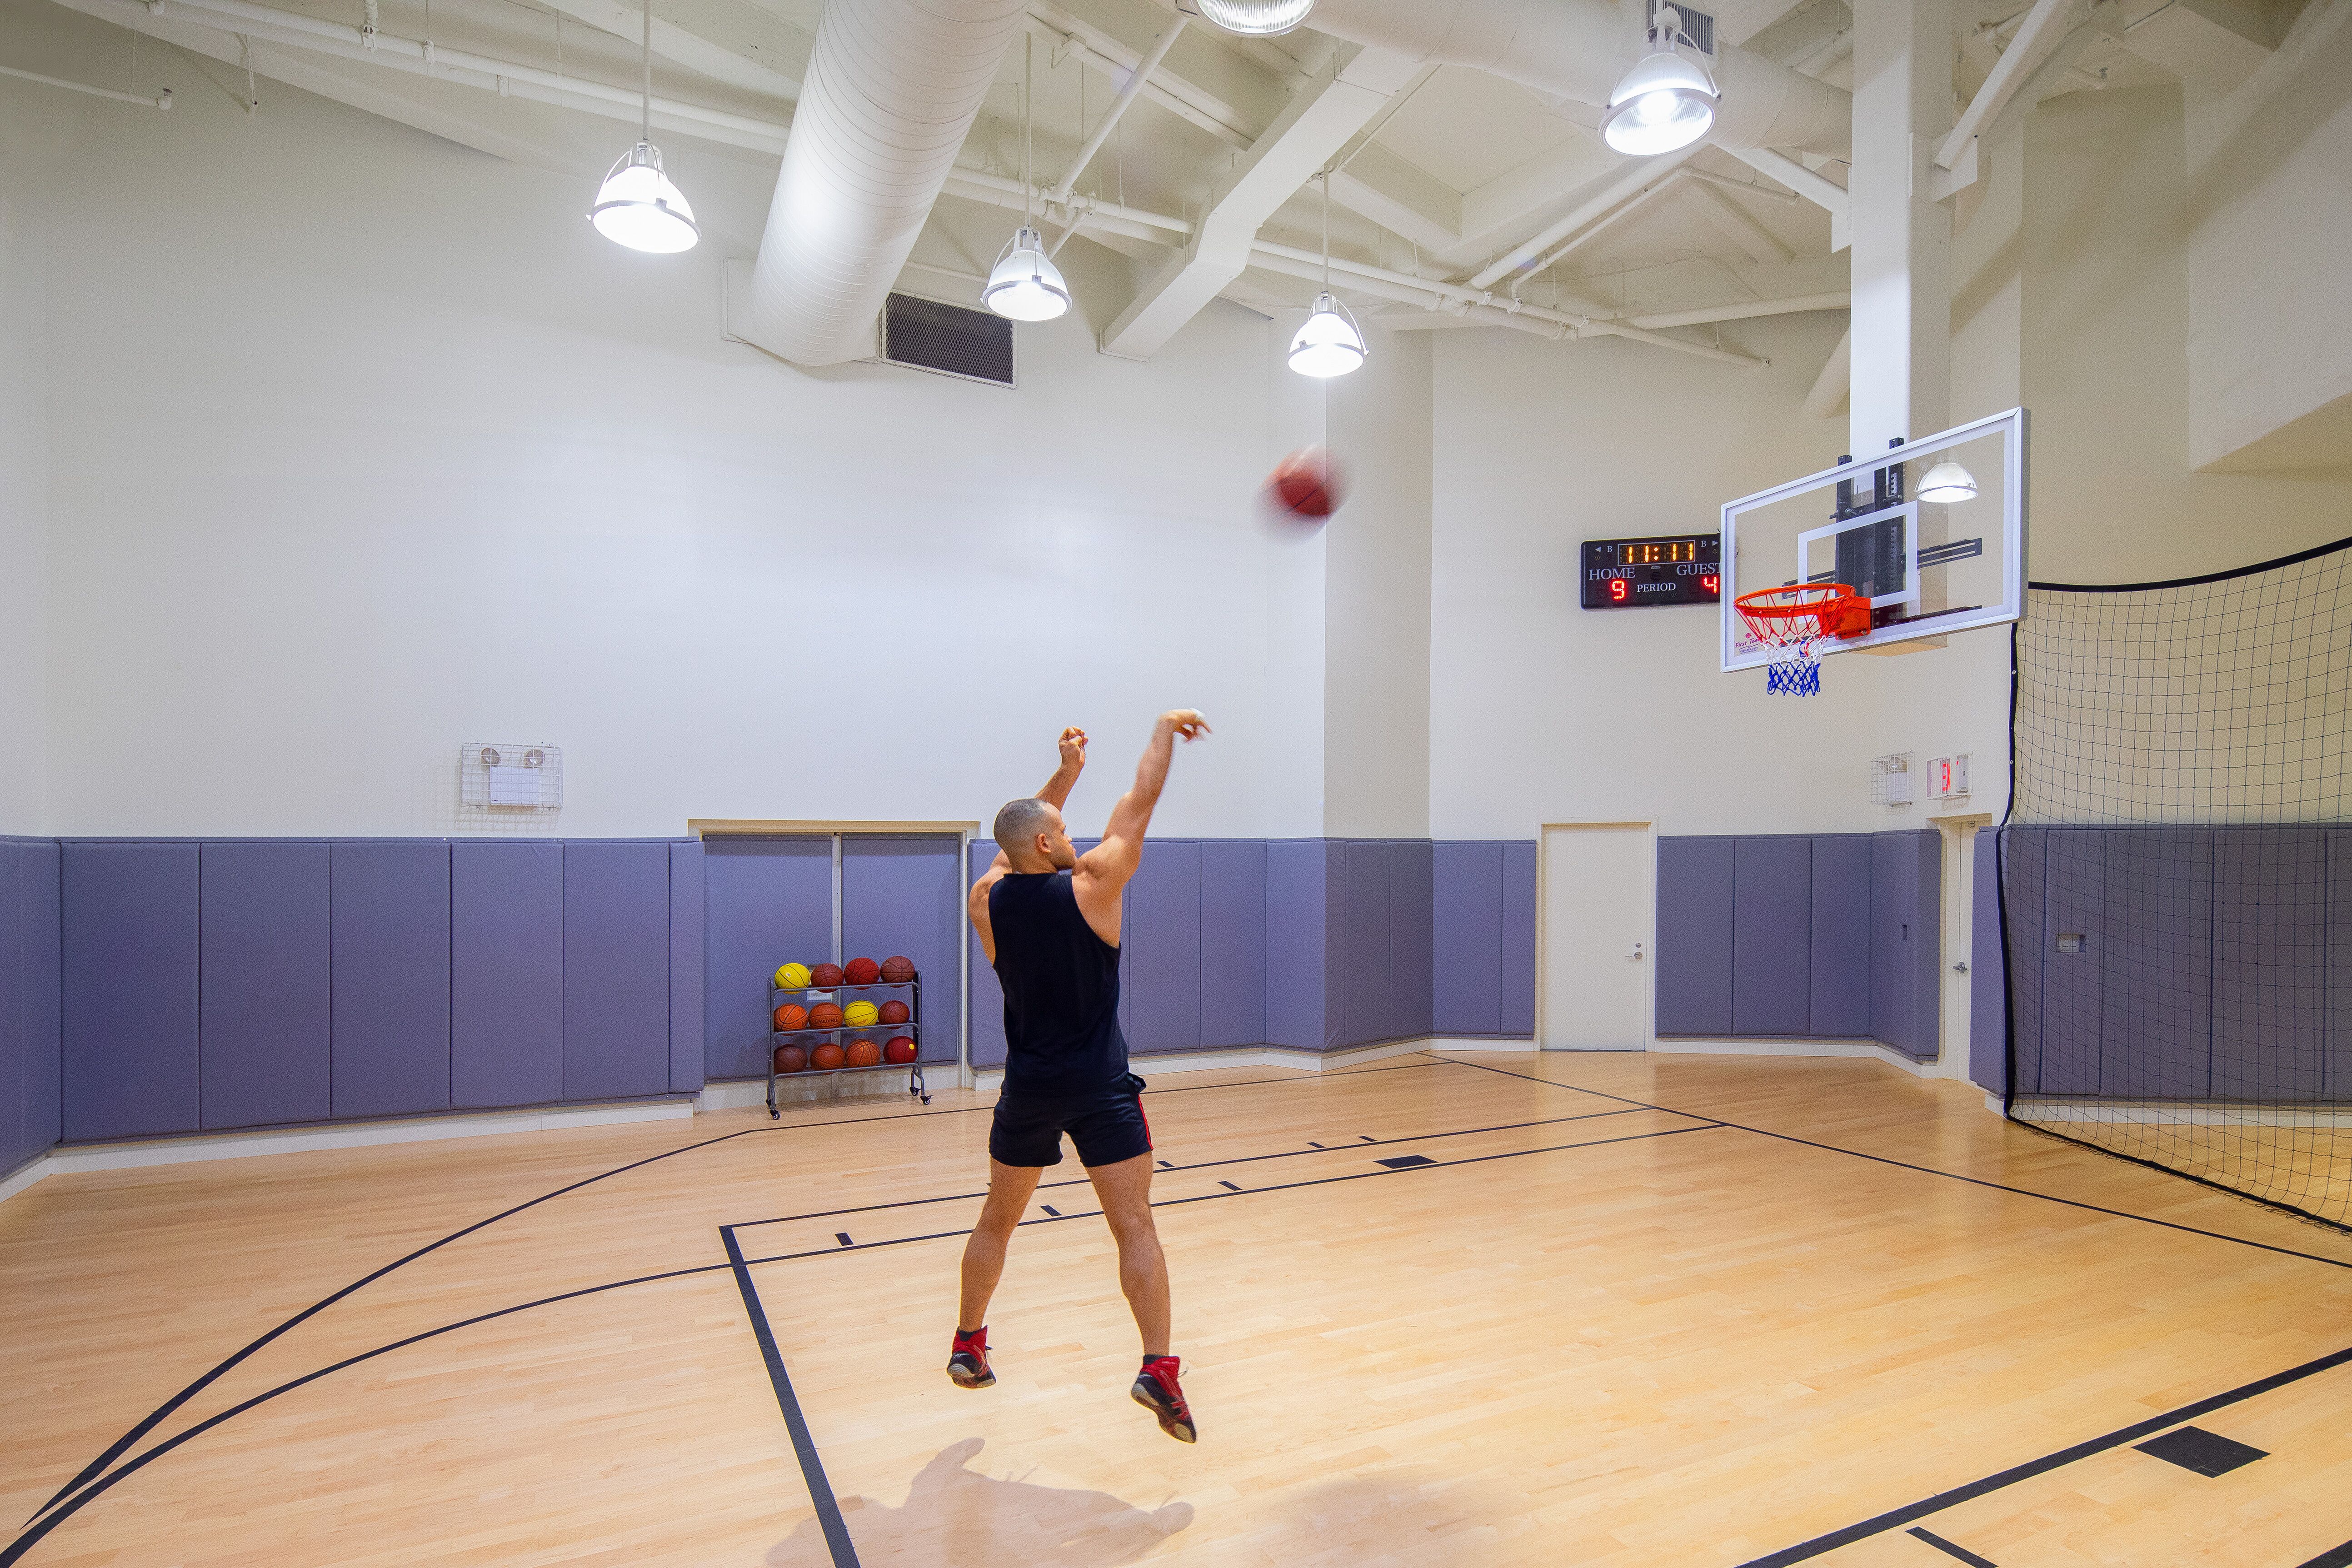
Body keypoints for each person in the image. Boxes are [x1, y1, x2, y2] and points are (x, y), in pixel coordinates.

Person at [951, 710, 1212, 1443]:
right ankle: (1158, 1368)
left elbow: (1014, 842)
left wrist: (1063, 775)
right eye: (1062, 830)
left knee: (996, 1220)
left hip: (1028, 1087)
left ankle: (968, 1343)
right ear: (1048, 843)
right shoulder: (1094, 883)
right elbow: (1142, 799)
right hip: (1100, 1086)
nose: (1074, 837)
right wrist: (1163, 730)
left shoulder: (986, 899)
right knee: (1134, 1224)